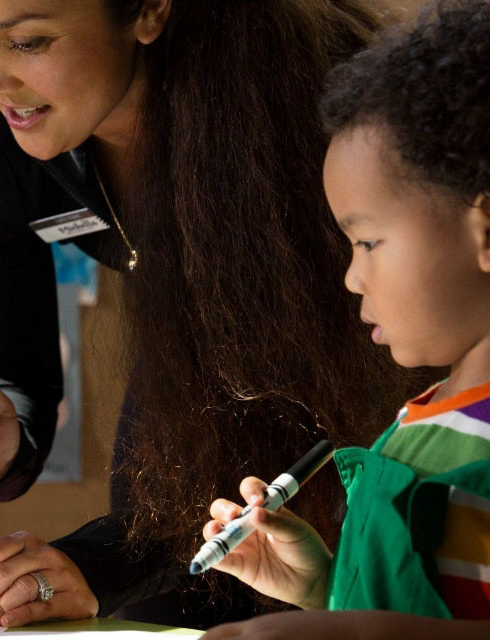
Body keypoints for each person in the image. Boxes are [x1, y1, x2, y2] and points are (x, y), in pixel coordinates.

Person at [0, 0, 425, 630]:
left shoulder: (316, 115)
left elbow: (393, 365)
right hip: (210, 415)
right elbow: (11, 376)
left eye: (27, 42)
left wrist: (106, 563)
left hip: (386, 389)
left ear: (149, 11)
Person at [199, 2, 490, 637]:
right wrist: (326, 587)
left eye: (368, 242)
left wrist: (356, 633)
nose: (353, 278)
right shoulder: (427, 417)